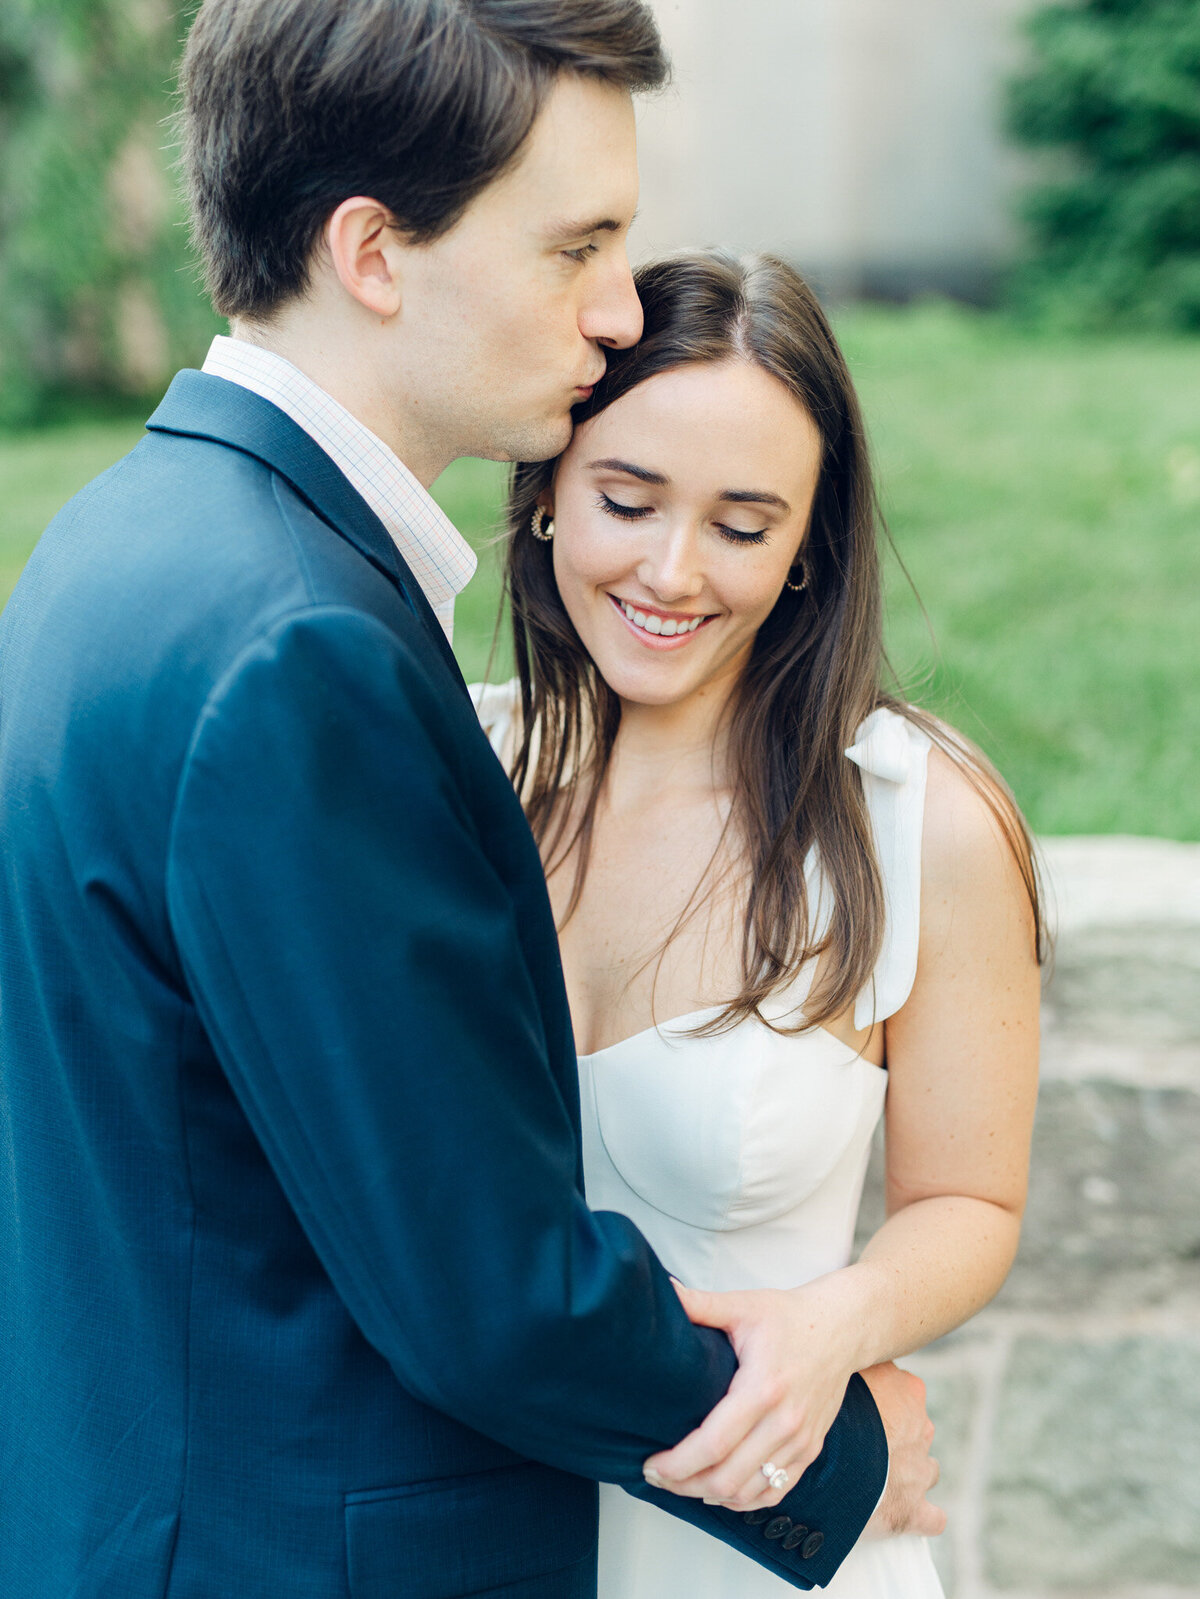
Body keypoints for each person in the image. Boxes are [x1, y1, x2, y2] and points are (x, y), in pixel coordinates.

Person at [0, 5, 940, 1597]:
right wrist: (831, 1452)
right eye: (576, 243)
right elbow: (483, 1289)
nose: (619, 305)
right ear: (376, 252)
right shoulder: (302, 651)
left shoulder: (122, 538)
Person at [473, 249, 1043, 1597]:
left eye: (742, 525)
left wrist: (835, 1332)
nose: (672, 572)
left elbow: (971, 1198)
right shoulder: (456, 776)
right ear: (548, 494)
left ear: (806, 551)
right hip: (488, 1531)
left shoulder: (920, 821)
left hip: (768, 1528)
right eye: (627, 499)